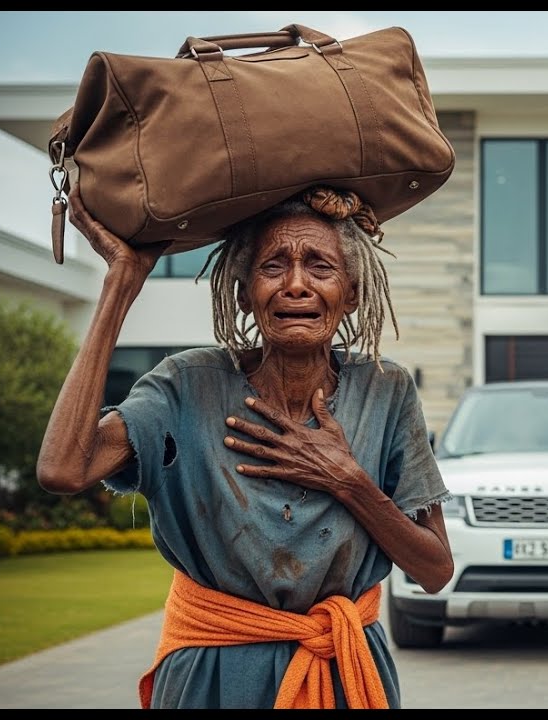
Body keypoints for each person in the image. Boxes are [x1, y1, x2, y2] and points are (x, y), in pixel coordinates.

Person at [35, 184, 454, 709]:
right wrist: (121, 283)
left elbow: (435, 570)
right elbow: (63, 469)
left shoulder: (387, 391)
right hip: (214, 676)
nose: (296, 285)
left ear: (352, 294)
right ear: (242, 292)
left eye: (321, 267)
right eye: (273, 267)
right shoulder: (187, 385)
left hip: (344, 674)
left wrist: (347, 480)